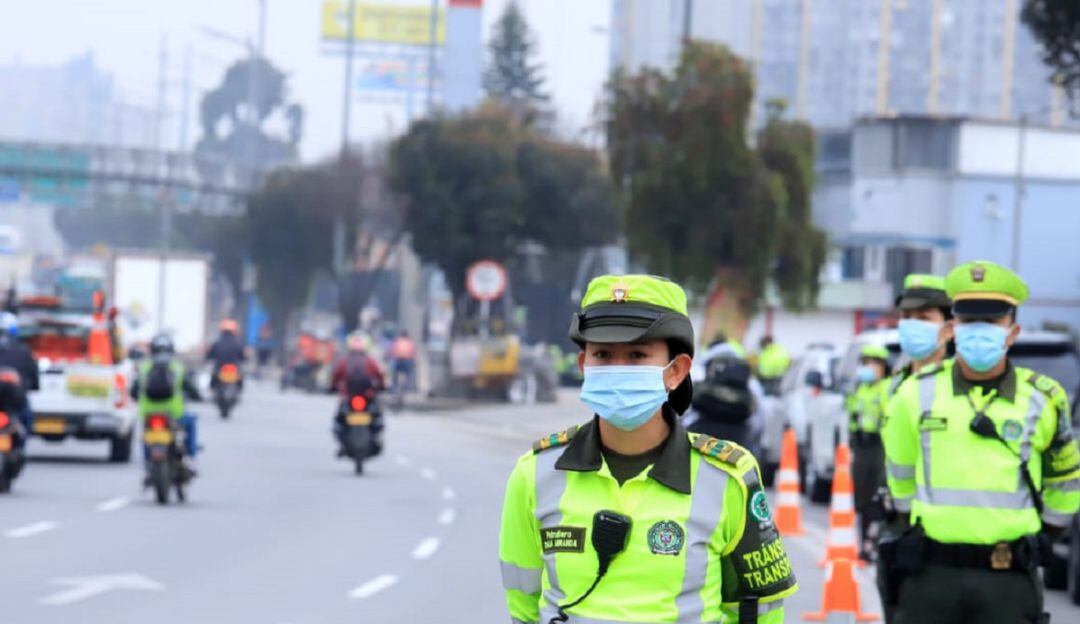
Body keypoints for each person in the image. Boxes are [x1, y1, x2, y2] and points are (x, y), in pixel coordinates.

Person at [499, 275, 796, 624]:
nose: (617, 369)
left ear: (676, 371)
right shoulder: (534, 474)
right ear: (583, 367)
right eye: (603, 355)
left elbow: (758, 611)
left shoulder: (728, 477)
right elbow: (523, 608)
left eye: (637, 355)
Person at [881, 261, 1080, 624]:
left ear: (1012, 331)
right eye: (970, 321)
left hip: (1008, 579)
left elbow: (1064, 483)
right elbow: (900, 478)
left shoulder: (1044, 399)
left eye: (991, 323)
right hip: (931, 577)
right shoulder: (914, 394)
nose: (978, 332)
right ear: (953, 326)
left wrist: (1042, 536)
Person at [876, 273, 953, 621]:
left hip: (941, 531)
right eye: (907, 319)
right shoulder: (895, 383)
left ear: (948, 327)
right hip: (896, 525)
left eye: (924, 319)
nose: (912, 327)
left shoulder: (957, 387)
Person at [683, 338, 765, 459]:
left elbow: (684, 412)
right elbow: (759, 420)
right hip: (739, 439)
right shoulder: (751, 383)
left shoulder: (699, 371)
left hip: (700, 437)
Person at [131, 334, 201, 472]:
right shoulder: (177, 366)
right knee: (191, 422)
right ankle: (191, 458)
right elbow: (190, 388)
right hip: (174, 413)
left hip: (148, 413)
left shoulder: (144, 366)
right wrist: (198, 396)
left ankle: (148, 464)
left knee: (146, 436)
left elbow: (134, 391)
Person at [847, 343, 891, 561]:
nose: (868, 367)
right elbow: (852, 417)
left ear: (883, 366)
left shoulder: (887, 389)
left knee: (877, 497)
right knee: (861, 499)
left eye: (873, 363)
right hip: (862, 448)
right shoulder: (860, 389)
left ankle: (875, 543)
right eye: (865, 363)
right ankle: (864, 544)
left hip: (880, 448)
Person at [331, 332, 386, 455]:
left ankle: (343, 445)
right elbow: (380, 376)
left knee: (338, 419)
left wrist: (332, 388)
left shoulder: (344, 362)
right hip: (368, 396)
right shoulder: (371, 362)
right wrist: (382, 387)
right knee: (377, 415)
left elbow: (335, 377)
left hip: (348, 396)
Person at [0, 313, 38, 446]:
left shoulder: (23, 350)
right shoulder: (23, 350)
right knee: (26, 420)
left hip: (13, 402)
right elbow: (33, 375)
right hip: (15, 400)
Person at [207, 319, 246, 388]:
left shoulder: (217, 343)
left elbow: (210, 355)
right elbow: (243, 357)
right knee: (240, 375)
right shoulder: (237, 343)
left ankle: (213, 387)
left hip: (220, 367)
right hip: (233, 367)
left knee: (214, 376)